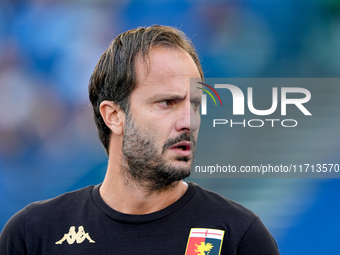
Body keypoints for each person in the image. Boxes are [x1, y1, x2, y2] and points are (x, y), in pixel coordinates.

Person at [0, 25, 280, 254]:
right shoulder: (32, 235)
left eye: (195, 105)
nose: (189, 122)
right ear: (113, 116)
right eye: (168, 102)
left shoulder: (239, 237)